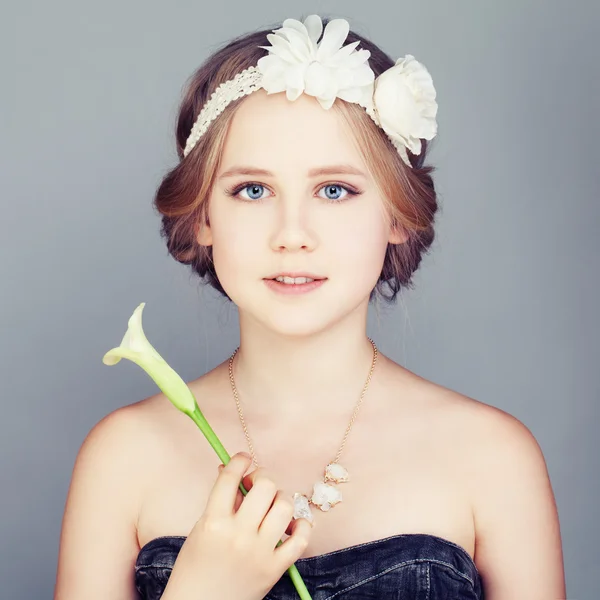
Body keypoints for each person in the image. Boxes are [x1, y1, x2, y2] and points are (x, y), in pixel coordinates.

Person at [53, 13, 566, 600]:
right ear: (202, 217)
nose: (292, 234)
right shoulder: (122, 457)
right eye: (253, 190)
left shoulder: (495, 458)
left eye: (334, 190)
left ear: (397, 214)